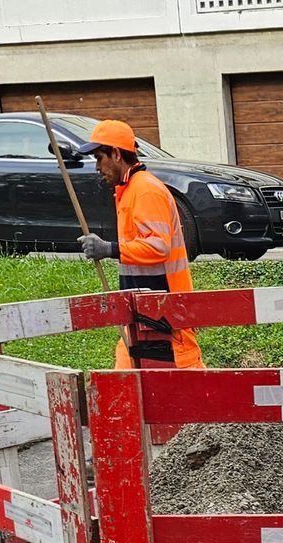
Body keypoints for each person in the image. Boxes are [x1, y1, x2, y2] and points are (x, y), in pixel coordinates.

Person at [75, 120, 202, 370]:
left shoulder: (144, 190)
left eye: (99, 158)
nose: (97, 167)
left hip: (165, 317)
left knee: (183, 392)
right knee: (133, 387)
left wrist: (109, 249)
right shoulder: (130, 190)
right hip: (146, 316)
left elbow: (158, 247)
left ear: (117, 154)